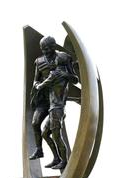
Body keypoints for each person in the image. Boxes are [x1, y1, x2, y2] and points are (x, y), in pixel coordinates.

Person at [28, 35, 78, 170]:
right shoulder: (39, 61)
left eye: (48, 49)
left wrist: (64, 75)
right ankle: (41, 151)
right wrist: (38, 85)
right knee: (35, 123)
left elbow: (75, 79)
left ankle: (63, 160)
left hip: (57, 101)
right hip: (44, 100)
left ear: (54, 46)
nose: (45, 51)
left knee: (55, 134)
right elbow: (35, 81)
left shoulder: (63, 58)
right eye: (43, 49)